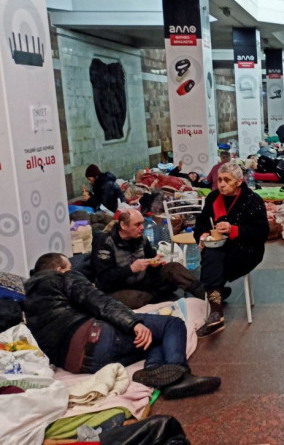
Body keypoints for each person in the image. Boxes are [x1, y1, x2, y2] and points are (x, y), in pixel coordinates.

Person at [24, 253, 221, 399]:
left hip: (77, 363)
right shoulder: (64, 278)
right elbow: (101, 302)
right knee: (172, 324)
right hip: (93, 339)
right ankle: (180, 376)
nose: (71, 269)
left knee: (152, 337)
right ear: (60, 269)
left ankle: (156, 371)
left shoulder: (27, 296)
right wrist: (133, 323)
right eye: (68, 266)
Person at [193, 162, 269, 337]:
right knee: (211, 253)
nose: (222, 184)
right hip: (219, 249)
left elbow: (261, 232)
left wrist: (233, 229)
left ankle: (215, 308)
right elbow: (202, 223)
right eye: (219, 179)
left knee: (211, 258)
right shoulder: (212, 198)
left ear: (239, 181)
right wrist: (203, 235)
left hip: (247, 250)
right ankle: (216, 307)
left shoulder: (252, 200)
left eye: (227, 180)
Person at [92, 209, 205, 309]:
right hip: (118, 288)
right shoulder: (105, 242)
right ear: (123, 225)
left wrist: (155, 263)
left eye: (142, 223)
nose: (142, 228)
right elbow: (104, 279)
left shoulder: (141, 238)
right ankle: (157, 293)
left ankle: (205, 294)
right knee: (133, 298)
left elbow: (151, 262)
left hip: (142, 281)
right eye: (137, 225)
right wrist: (131, 269)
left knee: (174, 268)